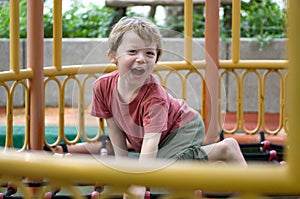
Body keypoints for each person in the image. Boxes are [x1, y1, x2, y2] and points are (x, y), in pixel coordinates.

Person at [47, 16, 247, 199]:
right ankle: (211, 166)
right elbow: (115, 130)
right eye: (132, 51)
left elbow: (150, 144)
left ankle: (224, 149)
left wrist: (139, 182)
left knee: (161, 168)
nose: (141, 58)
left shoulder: (154, 98)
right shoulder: (102, 87)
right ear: (113, 55)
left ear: (156, 59)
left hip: (182, 128)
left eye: (149, 53)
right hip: (159, 135)